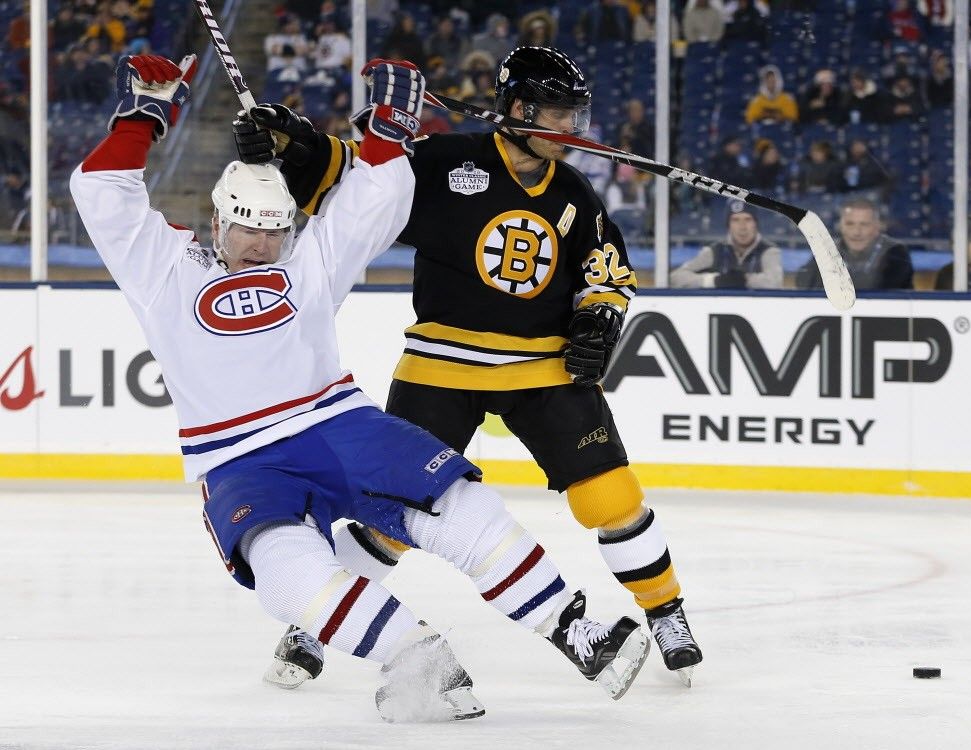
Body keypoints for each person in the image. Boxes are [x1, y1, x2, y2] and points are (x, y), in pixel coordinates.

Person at [71, 53, 652, 722]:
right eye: (246, 229)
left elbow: (374, 196)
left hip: (337, 425)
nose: (261, 245)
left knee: (458, 504)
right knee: (287, 577)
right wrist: (145, 114)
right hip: (234, 458)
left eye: (274, 230)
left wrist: (388, 128)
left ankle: (574, 631)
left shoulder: (310, 258)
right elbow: (102, 193)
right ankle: (417, 658)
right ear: (215, 223)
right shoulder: (164, 270)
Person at [233, 45, 704, 689]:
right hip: (440, 365)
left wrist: (599, 314)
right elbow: (359, 182)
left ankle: (666, 612)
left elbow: (606, 272)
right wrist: (296, 146)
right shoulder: (444, 162)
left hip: (542, 369)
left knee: (611, 497)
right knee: (389, 516)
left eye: (575, 113)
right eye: (559, 113)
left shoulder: (575, 193)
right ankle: (313, 626)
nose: (572, 127)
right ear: (519, 110)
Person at [796, 197, 913, 290]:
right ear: (841, 226)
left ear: (877, 227)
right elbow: (803, 281)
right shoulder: (829, 250)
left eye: (864, 224)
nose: (856, 232)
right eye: (850, 224)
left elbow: (880, 288)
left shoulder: (896, 251)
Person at [670, 200, 783, 289]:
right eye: (735, 220)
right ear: (728, 225)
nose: (742, 227)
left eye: (748, 219)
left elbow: (774, 282)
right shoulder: (715, 251)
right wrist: (713, 281)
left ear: (756, 224)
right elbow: (676, 277)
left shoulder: (768, 251)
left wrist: (744, 280)